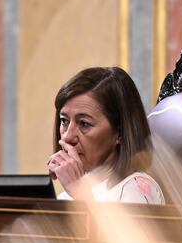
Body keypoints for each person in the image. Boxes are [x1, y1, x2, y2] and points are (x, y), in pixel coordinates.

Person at [47, 67, 165, 204]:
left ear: (120, 133)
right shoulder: (66, 196)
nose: (67, 137)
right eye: (64, 121)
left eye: (84, 124)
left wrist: (79, 191)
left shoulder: (137, 189)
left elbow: (114, 227)